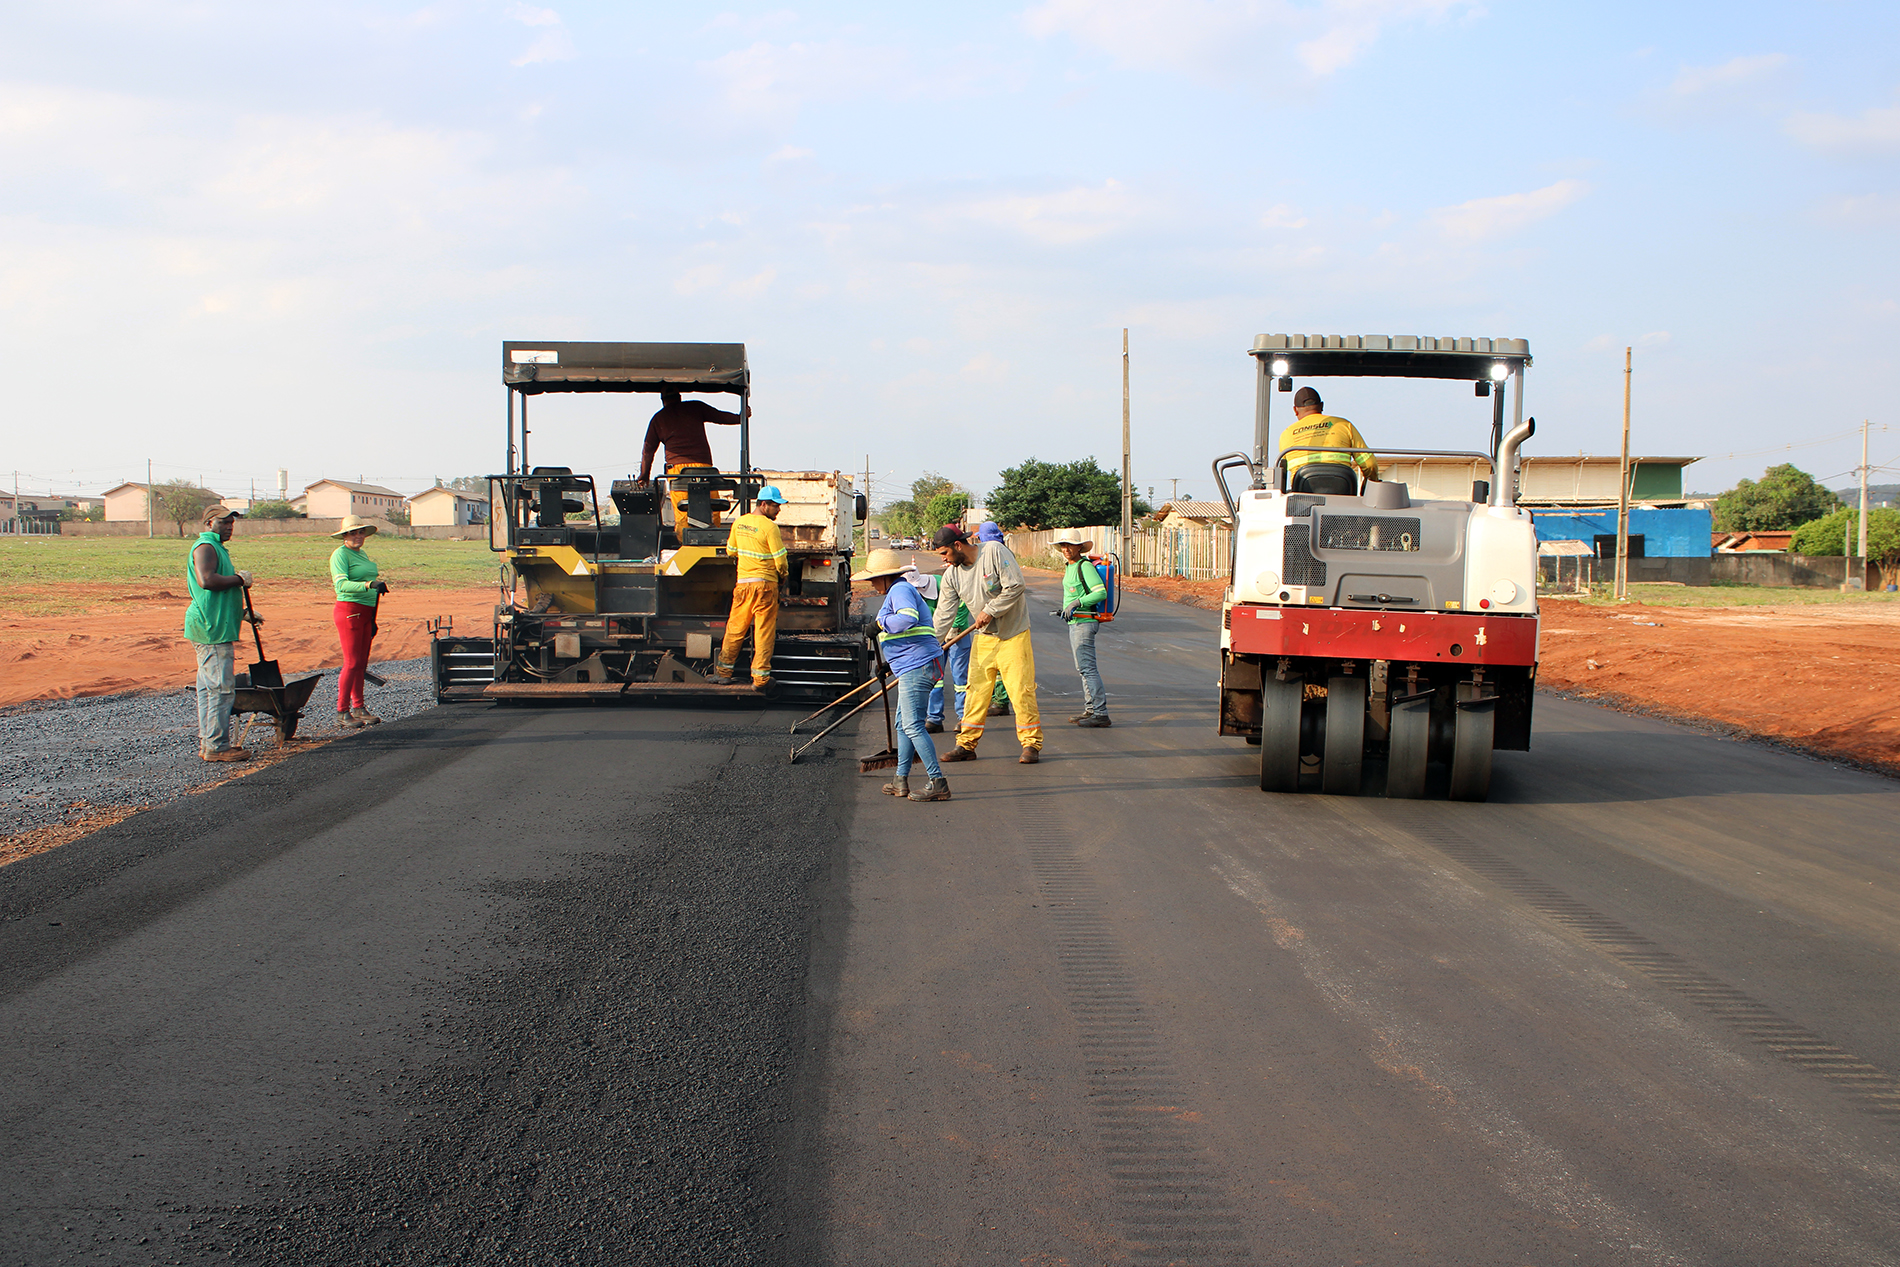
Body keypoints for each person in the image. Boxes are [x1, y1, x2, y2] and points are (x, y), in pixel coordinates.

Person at [932, 524, 1042, 764]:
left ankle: (1031, 744)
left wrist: (991, 610)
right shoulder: (951, 575)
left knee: (1020, 690)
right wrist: (931, 647)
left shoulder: (993, 551)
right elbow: (943, 615)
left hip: (1014, 634)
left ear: (958, 546)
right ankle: (966, 745)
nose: (944, 560)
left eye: (945, 553)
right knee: (976, 692)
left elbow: (1016, 585)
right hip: (985, 638)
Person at [857, 549, 951, 802]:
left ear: (887, 577)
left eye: (874, 579)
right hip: (913, 664)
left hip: (919, 665)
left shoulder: (900, 590)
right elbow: (907, 636)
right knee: (903, 724)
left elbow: (906, 620)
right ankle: (900, 780)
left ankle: (937, 781)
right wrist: (890, 664)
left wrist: (879, 625)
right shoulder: (898, 591)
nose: (872, 584)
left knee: (912, 725)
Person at [184, 504, 259, 762]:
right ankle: (216, 746)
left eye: (231, 523)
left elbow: (216, 594)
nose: (229, 527)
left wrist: (242, 614)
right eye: (223, 522)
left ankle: (211, 743)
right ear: (208, 523)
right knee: (221, 689)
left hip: (213, 623)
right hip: (211, 628)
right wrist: (239, 579)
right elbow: (208, 581)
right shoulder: (206, 547)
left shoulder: (216, 548)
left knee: (208, 688)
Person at [637, 389, 743, 539]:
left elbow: (648, 450)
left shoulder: (658, 418)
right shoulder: (695, 407)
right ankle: (713, 540)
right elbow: (720, 416)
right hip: (705, 469)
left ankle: (686, 542)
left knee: (682, 513)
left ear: (663, 401)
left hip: (678, 472)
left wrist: (644, 475)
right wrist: (741, 417)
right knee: (712, 508)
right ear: (679, 397)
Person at [714, 484, 788, 687]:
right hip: (765, 586)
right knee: (763, 631)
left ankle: (723, 673)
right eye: (775, 506)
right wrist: (783, 576)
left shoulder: (739, 522)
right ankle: (761, 678)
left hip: (743, 585)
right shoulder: (769, 527)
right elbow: (780, 560)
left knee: (735, 629)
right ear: (764, 505)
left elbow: (731, 551)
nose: (778, 510)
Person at [330, 514, 389, 728]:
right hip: (350, 610)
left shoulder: (361, 554)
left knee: (361, 663)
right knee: (352, 662)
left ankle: (358, 706)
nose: (358, 536)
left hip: (366, 611)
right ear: (344, 535)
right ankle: (342, 710)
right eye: (353, 532)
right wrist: (368, 585)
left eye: (360, 532)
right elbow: (341, 585)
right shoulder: (340, 554)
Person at [1053, 531, 1111, 727]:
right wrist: (1067, 608)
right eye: (1063, 545)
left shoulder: (1084, 566)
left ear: (1079, 547)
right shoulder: (1070, 567)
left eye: (1070, 545)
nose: (1066, 549)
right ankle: (1091, 709)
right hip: (1076, 622)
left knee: (1088, 669)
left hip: (1085, 623)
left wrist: (1077, 603)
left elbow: (1100, 593)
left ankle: (1100, 713)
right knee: (1083, 669)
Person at [1277, 386, 1379, 491]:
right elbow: (1370, 464)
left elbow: (1281, 474)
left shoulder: (1287, 434)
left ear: (1295, 410)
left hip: (1303, 493)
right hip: (1343, 491)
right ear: (1321, 406)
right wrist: (1372, 483)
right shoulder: (1343, 425)